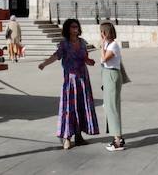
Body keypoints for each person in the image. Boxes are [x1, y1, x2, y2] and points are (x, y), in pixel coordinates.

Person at [37, 18, 99, 150]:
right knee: (69, 109)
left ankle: (79, 136)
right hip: (70, 81)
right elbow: (56, 56)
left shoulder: (82, 42)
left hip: (83, 80)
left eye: (76, 26)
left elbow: (85, 58)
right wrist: (44, 64)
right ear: (67, 29)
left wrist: (89, 62)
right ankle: (66, 137)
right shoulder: (64, 44)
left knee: (82, 107)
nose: (75, 28)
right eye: (72, 27)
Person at [99, 22, 127, 151]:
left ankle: (118, 140)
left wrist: (101, 45)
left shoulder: (113, 45)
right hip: (107, 75)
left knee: (112, 107)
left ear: (105, 33)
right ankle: (116, 137)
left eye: (101, 32)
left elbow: (104, 59)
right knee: (109, 107)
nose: (100, 34)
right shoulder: (108, 44)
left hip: (111, 75)